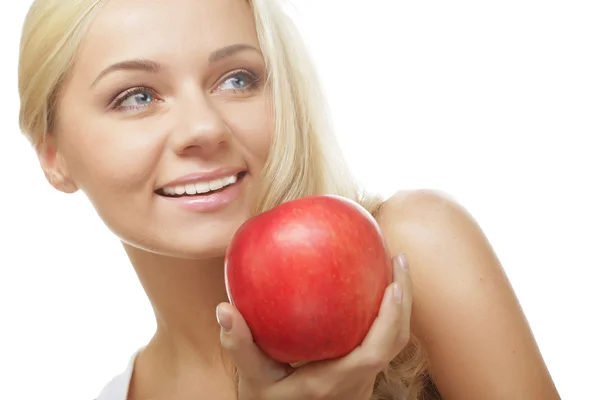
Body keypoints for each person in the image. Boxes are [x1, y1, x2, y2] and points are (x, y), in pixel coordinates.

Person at [17, 0, 560, 399]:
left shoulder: (410, 256)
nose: (204, 127)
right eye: (136, 96)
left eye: (236, 79)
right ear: (53, 155)